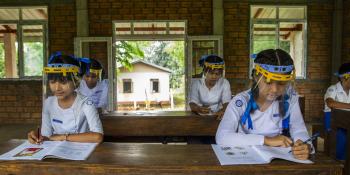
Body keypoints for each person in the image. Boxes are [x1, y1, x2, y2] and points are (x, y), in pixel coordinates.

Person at [216, 49, 311, 160]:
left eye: (281, 83)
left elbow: (299, 129)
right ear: (256, 77)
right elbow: (222, 137)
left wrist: (304, 145)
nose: (275, 89)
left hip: (278, 159)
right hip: (246, 158)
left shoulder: (290, 99)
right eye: (268, 82)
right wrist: (266, 140)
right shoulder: (241, 101)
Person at [27, 52, 103, 144]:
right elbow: (46, 136)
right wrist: (37, 136)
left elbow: (98, 136)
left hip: (81, 150)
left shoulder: (86, 103)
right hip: (56, 150)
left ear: (76, 81)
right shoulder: (48, 103)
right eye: (52, 82)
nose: (57, 88)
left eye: (63, 82)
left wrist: (62, 137)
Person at [189, 54, 232, 120]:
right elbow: (192, 103)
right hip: (200, 116)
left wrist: (222, 111)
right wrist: (198, 108)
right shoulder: (197, 83)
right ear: (205, 72)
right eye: (211, 73)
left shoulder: (224, 83)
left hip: (219, 116)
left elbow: (227, 102)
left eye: (217, 74)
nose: (214, 76)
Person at [324, 62, 350, 160]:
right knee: (342, 137)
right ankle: (340, 162)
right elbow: (330, 103)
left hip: (347, 121)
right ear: (344, 78)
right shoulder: (333, 89)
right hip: (332, 122)